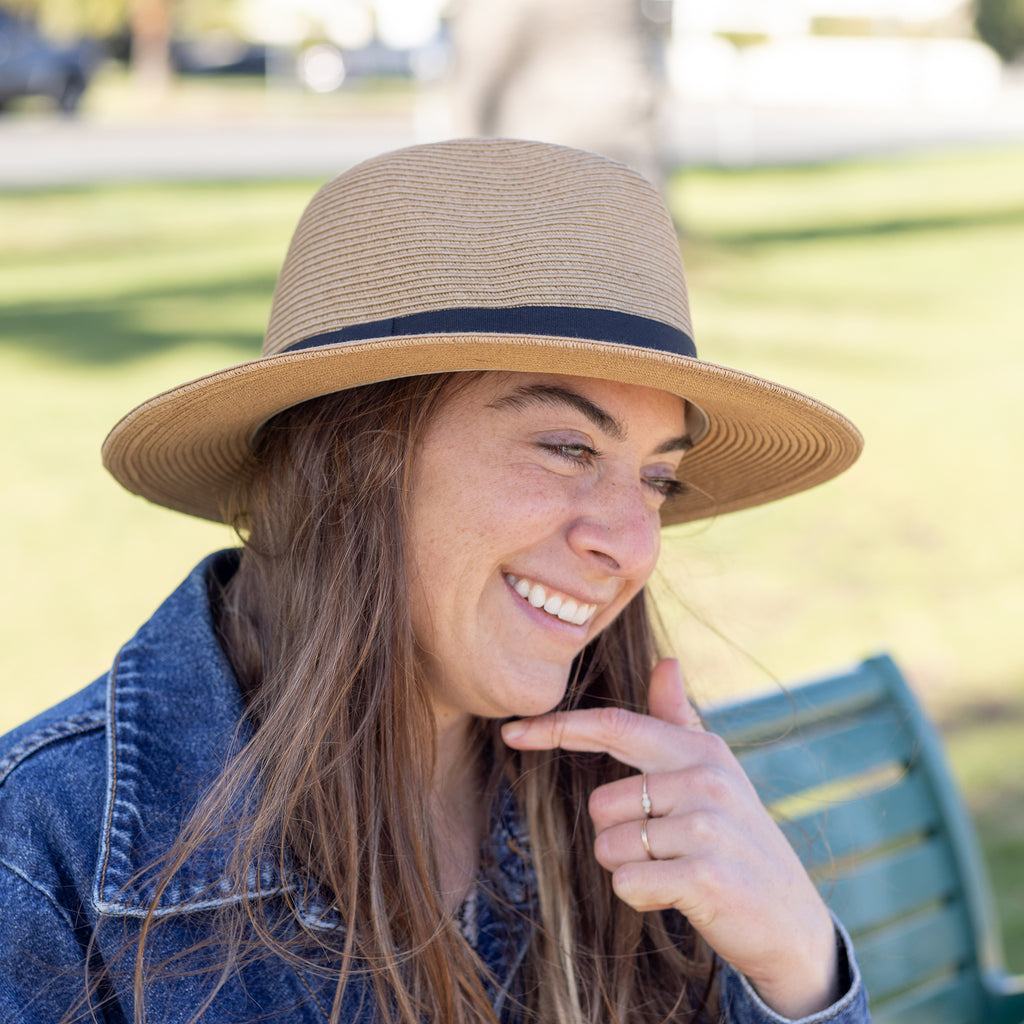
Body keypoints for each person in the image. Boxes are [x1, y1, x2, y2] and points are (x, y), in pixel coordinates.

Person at [0, 138, 870, 1024]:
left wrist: (796, 961)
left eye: (657, 478)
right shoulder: (40, 856)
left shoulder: (634, 807)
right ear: (351, 463)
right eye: (569, 449)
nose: (634, 548)